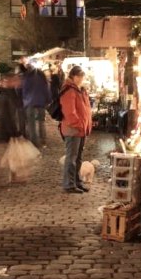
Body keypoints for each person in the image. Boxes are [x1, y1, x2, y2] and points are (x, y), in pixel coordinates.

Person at [60, 65, 92, 194]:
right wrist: (79, 124)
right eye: (78, 76)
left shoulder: (80, 90)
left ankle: (76, 182)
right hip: (73, 129)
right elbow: (70, 112)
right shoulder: (69, 91)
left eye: (82, 76)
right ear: (73, 76)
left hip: (80, 129)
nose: (81, 79)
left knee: (78, 158)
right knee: (71, 158)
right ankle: (69, 184)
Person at [22, 67, 51, 148]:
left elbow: (24, 91)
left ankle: (34, 142)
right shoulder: (43, 78)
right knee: (41, 122)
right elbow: (47, 91)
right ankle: (43, 141)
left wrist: (25, 100)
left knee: (32, 124)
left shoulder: (27, 78)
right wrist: (48, 101)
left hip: (30, 103)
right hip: (41, 104)